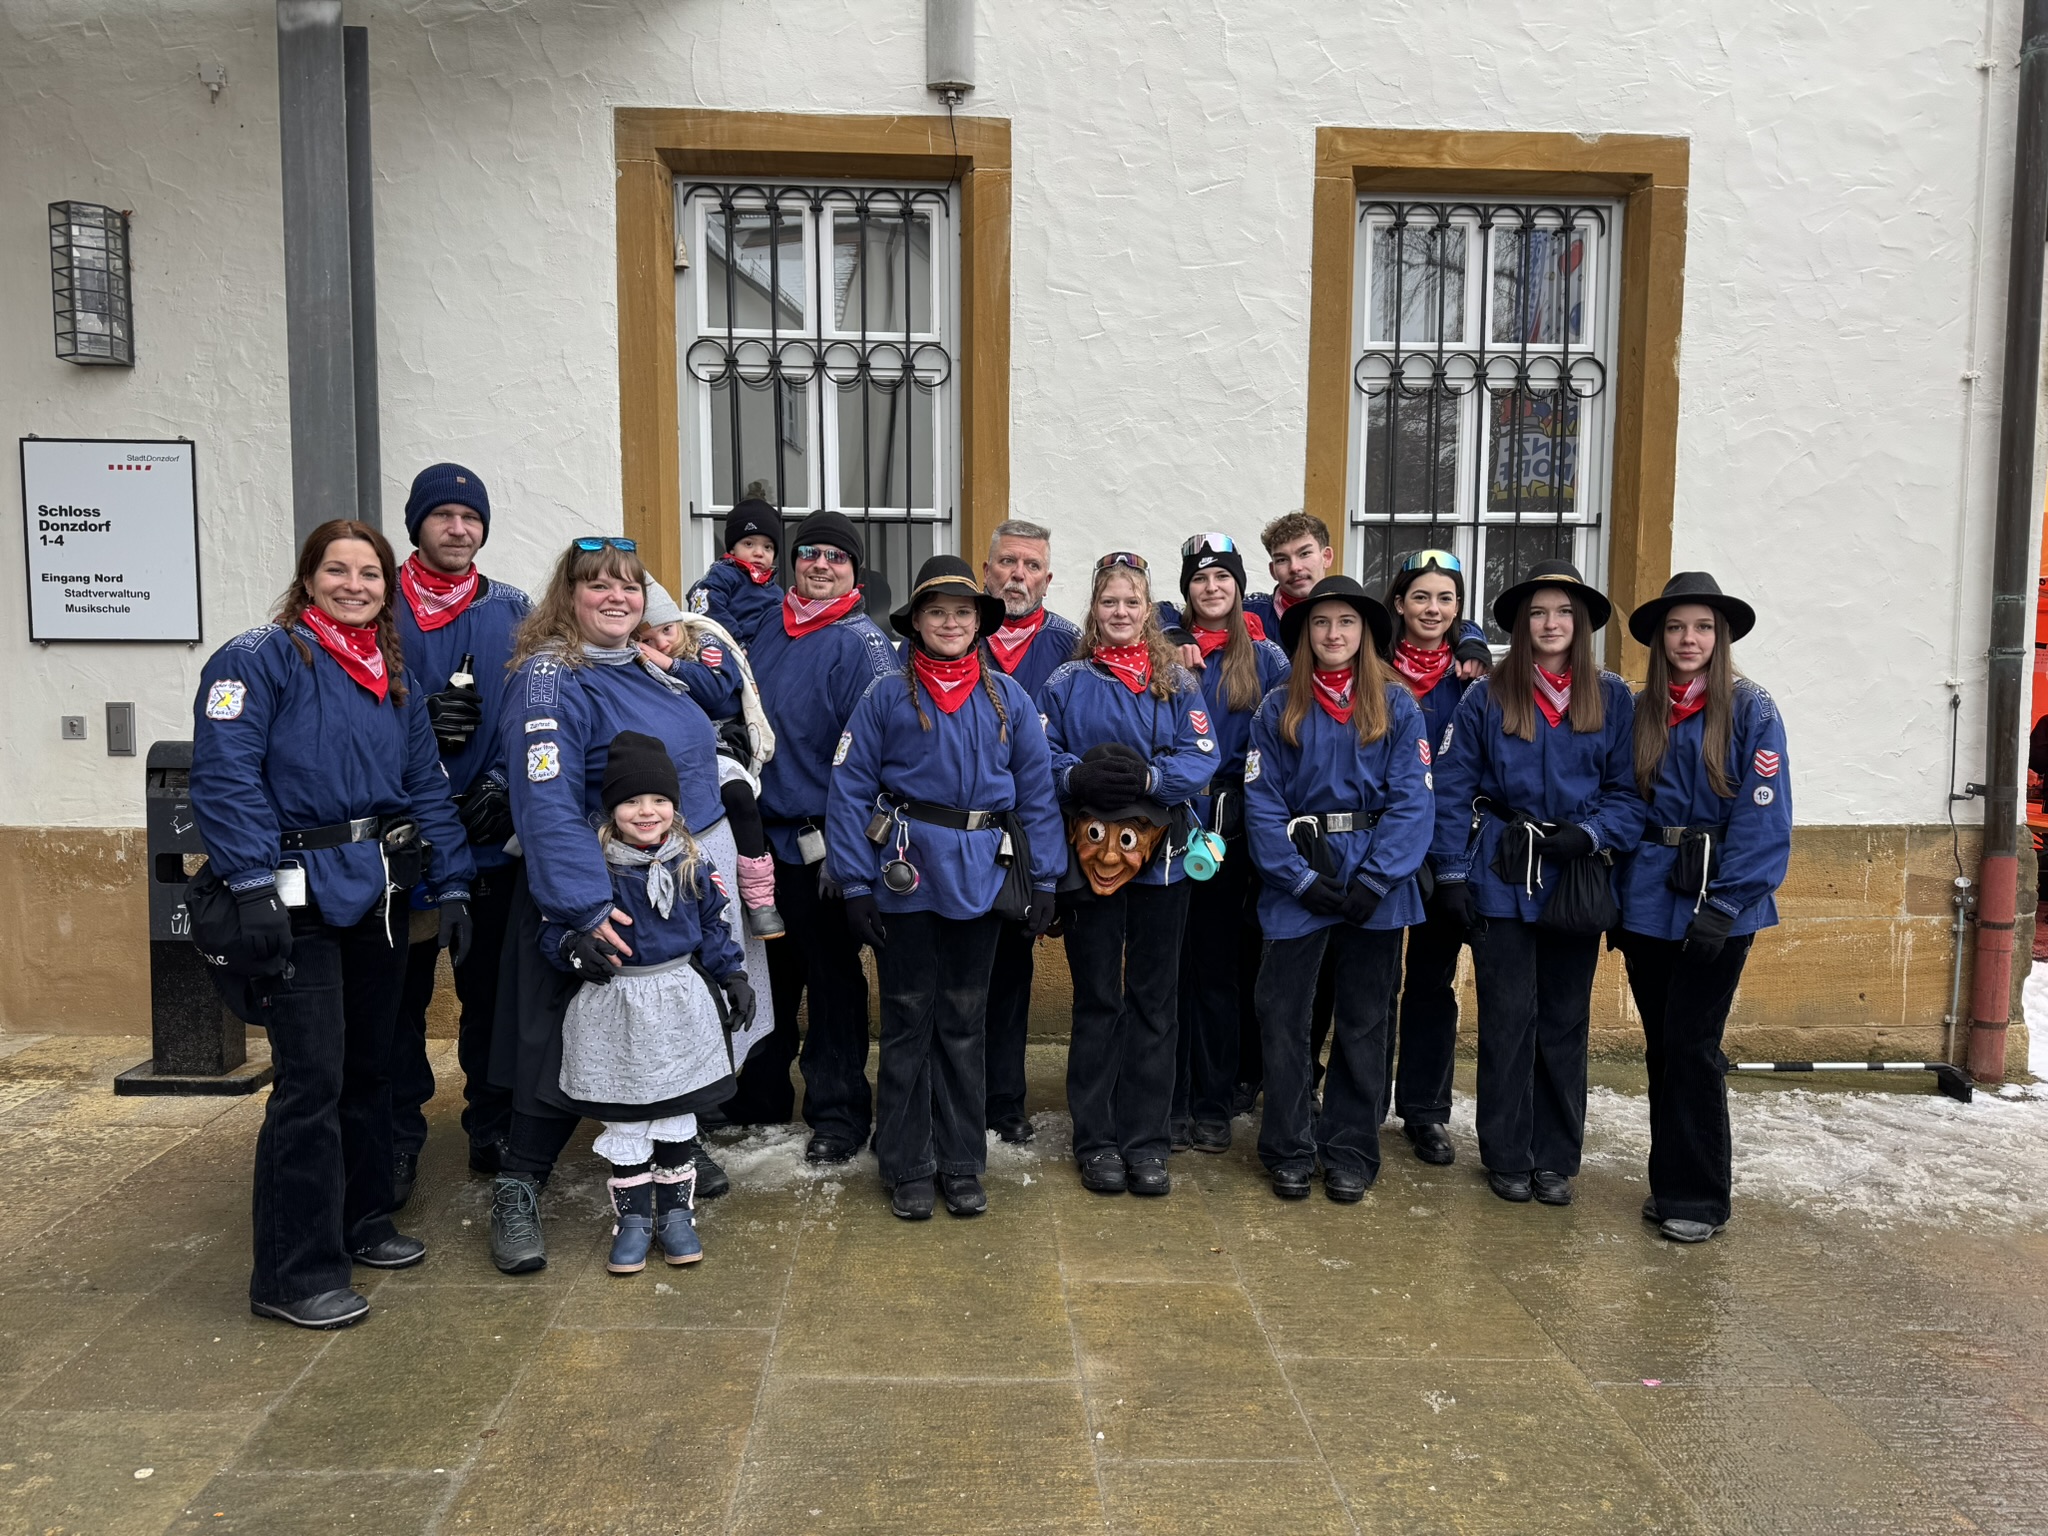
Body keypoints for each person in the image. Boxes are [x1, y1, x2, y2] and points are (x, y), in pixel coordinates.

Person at [189, 519, 474, 1330]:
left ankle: (361, 1222)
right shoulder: (257, 660)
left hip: (377, 892)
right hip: (291, 893)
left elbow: (424, 783)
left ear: (388, 586)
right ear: (309, 577)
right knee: (309, 1083)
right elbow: (225, 775)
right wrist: (248, 883)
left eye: (371, 574)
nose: (355, 585)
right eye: (337, 570)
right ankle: (292, 1273)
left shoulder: (393, 672)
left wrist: (451, 883)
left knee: (371, 1069)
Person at [490, 537, 772, 1275]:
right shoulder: (553, 675)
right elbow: (545, 801)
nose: (617, 597)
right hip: (585, 895)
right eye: (597, 586)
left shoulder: (644, 667)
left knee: (661, 1030)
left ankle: (668, 1153)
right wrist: (581, 909)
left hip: (665, 884)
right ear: (568, 596)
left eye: (629, 585)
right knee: (555, 1050)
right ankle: (518, 1189)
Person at [826, 556, 1066, 1219]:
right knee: (907, 1020)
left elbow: (1039, 793)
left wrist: (1044, 877)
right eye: (938, 613)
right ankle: (905, 1161)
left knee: (965, 1020)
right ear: (918, 623)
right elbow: (848, 790)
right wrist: (852, 882)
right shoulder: (884, 696)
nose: (951, 623)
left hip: (982, 877)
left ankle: (961, 1160)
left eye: (963, 613)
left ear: (978, 622)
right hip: (907, 875)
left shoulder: (1008, 697)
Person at [1430, 560, 1644, 1207]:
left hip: (1572, 881)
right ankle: (1505, 1151)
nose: (1551, 624)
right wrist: (1451, 874)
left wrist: (1594, 834)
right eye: (1539, 613)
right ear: (1523, 625)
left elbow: (1630, 795)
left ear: (1579, 623)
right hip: (1502, 874)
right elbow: (1452, 789)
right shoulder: (1487, 697)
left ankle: (1555, 1156)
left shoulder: (1610, 698)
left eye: (1563, 612)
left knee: (1563, 1022)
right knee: (1506, 1018)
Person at [1246, 576, 1433, 1201]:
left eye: (1346, 624)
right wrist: (1298, 878)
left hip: (1375, 883)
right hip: (1297, 880)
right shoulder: (1278, 708)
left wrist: (1378, 878)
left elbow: (1413, 802)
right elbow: (1262, 803)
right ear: (1305, 634)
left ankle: (1350, 1147)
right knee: (1284, 1018)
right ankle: (1289, 1146)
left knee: (1363, 1022)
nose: (1333, 634)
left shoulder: (1399, 706)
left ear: (1364, 634)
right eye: (1321, 623)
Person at [1617, 573, 1791, 1244]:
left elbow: (1763, 815)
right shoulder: (1641, 710)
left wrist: (1728, 903)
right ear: (1660, 639)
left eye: (1702, 628)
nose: (1689, 639)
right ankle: (1670, 1183)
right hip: (1647, 900)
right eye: (1677, 627)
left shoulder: (1751, 709)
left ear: (1719, 638)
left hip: (1719, 900)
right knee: (1664, 1047)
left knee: (1693, 1045)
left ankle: (1699, 1195)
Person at [543, 732, 756, 1274]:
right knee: (628, 1120)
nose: (647, 811)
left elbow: (713, 925)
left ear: (674, 807)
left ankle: (677, 1217)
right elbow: (552, 928)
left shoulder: (690, 861)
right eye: (632, 801)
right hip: (613, 1005)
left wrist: (733, 975)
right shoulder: (591, 867)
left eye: (659, 800)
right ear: (611, 808)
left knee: (675, 1111)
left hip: (678, 1002)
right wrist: (572, 948)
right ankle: (634, 1220)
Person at [1042, 552, 1216, 1197]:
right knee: (1097, 1001)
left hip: (1163, 865)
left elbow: (1202, 754)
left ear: (1150, 612)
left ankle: (1145, 1141)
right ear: (1095, 610)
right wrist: (1075, 777)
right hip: (1090, 864)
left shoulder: (1179, 683)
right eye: (1109, 602)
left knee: (1154, 1001)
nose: (1120, 612)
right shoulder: (1064, 682)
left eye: (1132, 603)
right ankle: (1095, 1140)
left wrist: (1150, 780)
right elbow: (1041, 753)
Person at [728, 511, 899, 1158]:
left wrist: (855, 855)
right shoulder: (769, 625)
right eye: (809, 554)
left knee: (831, 980)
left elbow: (879, 758)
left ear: (855, 569)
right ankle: (762, 1094)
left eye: (836, 556)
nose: (820, 565)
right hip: (761, 841)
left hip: (826, 842)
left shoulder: (863, 645)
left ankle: (838, 1113)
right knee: (771, 974)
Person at [386, 463, 531, 1208]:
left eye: (469, 516)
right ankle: (398, 1138)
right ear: (417, 525)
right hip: (404, 843)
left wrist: (506, 783)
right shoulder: (380, 606)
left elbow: (538, 700)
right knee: (399, 1002)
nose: (457, 528)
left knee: (493, 997)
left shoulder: (511, 607)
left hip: (490, 840)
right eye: (442, 515)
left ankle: (492, 1125)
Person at [1164, 533, 1289, 1154]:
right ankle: (1171, 1097)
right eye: (1198, 579)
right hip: (1170, 821)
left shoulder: (1266, 659)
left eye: (1222, 578)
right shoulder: (1162, 650)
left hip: (1232, 826)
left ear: (1241, 588)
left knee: (1217, 969)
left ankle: (1211, 1102)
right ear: (1184, 589)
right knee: (1169, 968)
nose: (1211, 589)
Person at [1377, 548, 1493, 1167]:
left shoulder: (1474, 678)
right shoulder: (1370, 666)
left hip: (1445, 853)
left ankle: (1424, 1110)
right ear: (1399, 604)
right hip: (1376, 846)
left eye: (1446, 599)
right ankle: (1361, 1101)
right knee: (1368, 983)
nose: (1433, 609)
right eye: (1420, 597)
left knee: (1431, 983)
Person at [978, 519, 1083, 1143]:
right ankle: (952, 1094)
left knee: (1014, 974)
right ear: (987, 568)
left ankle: (1005, 1102)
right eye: (1008, 563)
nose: (1018, 575)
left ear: (1047, 577)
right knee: (963, 975)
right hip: (967, 833)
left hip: (1045, 833)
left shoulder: (1071, 644)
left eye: (1031, 566)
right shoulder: (960, 634)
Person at [638, 579, 784, 938]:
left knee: (738, 795)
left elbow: (719, 693)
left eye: (667, 630)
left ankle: (760, 898)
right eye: (649, 638)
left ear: (679, 623)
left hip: (720, 744)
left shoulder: (704, 642)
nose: (662, 642)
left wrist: (669, 664)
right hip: (667, 753)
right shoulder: (633, 657)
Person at [685, 496, 785, 647]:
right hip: (725, 650)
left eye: (768, 547)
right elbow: (708, 606)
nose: (759, 553)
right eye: (749, 544)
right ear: (732, 548)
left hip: (762, 656)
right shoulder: (723, 575)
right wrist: (735, 641)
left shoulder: (776, 592)